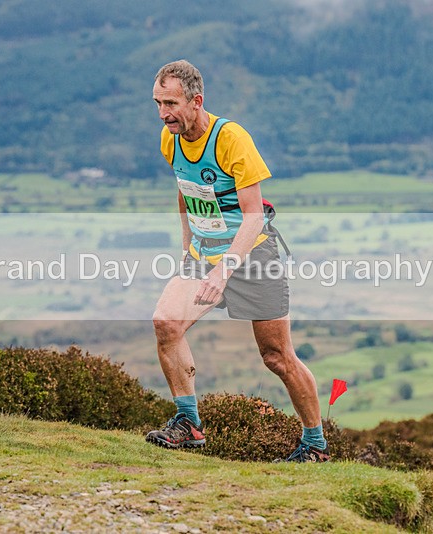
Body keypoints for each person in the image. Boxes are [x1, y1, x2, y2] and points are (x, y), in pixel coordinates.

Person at [146, 59, 329, 462]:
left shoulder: (231, 139)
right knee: (166, 323)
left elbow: (252, 216)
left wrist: (224, 269)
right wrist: (186, 246)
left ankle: (315, 445)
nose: (163, 113)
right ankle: (188, 424)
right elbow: (185, 189)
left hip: (251, 254)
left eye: (171, 103)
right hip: (203, 253)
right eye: (158, 103)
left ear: (197, 101)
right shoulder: (169, 138)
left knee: (277, 357)